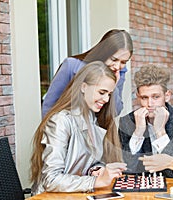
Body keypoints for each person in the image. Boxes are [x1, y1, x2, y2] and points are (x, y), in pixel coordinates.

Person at [30, 61, 127, 195]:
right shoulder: (60, 121)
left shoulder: (91, 118)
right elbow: (51, 179)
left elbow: (84, 163)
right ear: (83, 87)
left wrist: (96, 170)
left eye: (109, 94)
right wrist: (94, 182)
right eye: (102, 92)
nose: (106, 99)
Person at [118, 64, 173, 176]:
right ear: (138, 97)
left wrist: (160, 132)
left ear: (167, 96)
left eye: (156, 97)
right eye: (144, 98)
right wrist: (138, 133)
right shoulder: (126, 122)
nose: (150, 104)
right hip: (141, 189)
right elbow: (126, 168)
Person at [42, 29, 133, 118]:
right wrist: (49, 130)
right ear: (104, 52)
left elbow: (115, 112)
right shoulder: (71, 65)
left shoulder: (119, 72)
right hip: (66, 128)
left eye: (123, 62)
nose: (117, 66)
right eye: (114, 59)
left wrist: (114, 87)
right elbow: (49, 105)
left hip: (95, 130)